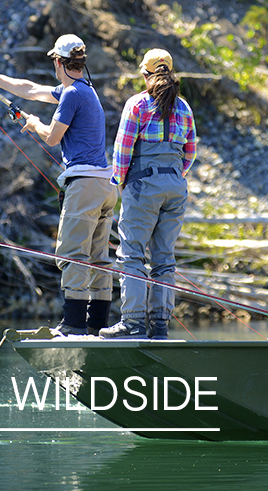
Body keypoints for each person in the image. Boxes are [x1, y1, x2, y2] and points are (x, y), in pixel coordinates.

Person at [0, 34, 118, 336]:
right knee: (98, 257)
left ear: (58, 61)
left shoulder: (72, 95)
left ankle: (75, 324)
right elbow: (32, 90)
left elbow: (51, 137)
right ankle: (98, 327)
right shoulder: (82, 89)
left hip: (85, 185)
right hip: (105, 186)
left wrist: (34, 123)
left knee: (72, 253)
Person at [100, 49, 196, 340]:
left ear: (146, 75)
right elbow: (190, 153)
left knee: (132, 254)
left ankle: (132, 323)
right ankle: (160, 327)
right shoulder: (184, 107)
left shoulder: (138, 104)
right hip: (176, 187)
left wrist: (120, 182)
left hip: (143, 185)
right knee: (164, 258)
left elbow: (123, 149)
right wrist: (174, 176)